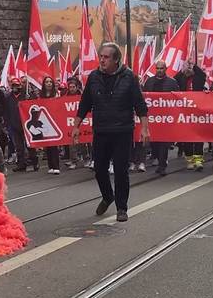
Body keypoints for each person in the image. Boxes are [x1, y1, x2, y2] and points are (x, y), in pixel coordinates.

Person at [74, 43, 150, 222]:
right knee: (99, 169)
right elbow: (85, 103)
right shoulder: (93, 77)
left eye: (106, 57)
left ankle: (121, 208)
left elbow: (140, 105)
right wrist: (76, 126)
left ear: (116, 60)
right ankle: (108, 196)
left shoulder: (129, 77)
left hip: (122, 131)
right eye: (101, 56)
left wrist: (145, 129)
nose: (102, 60)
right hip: (101, 131)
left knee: (121, 170)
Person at [144, 61, 180, 175]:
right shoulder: (149, 82)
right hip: (153, 118)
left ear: (166, 69)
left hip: (166, 118)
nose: (159, 70)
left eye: (162, 68)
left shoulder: (172, 82)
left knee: (164, 143)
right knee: (154, 142)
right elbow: (145, 96)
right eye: (157, 68)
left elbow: (177, 98)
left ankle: (162, 165)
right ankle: (158, 159)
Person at [176, 63, 208, 171]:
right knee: (187, 137)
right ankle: (189, 160)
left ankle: (198, 160)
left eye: (190, 69)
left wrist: (193, 65)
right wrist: (182, 70)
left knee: (198, 136)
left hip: (197, 112)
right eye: (187, 69)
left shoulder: (198, 79)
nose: (189, 70)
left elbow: (202, 75)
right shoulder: (182, 79)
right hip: (185, 112)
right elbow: (175, 79)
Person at [8, 78, 38, 172]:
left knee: (30, 145)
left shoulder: (26, 95)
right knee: (19, 147)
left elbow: (34, 106)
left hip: (26, 124)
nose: (15, 87)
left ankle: (34, 162)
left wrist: (30, 98)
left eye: (17, 85)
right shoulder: (9, 97)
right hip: (14, 125)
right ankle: (21, 164)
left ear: (20, 86)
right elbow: (6, 111)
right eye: (13, 85)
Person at [38, 76, 62, 174]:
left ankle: (56, 166)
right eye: (47, 82)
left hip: (54, 121)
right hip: (44, 122)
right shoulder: (40, 95)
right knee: (47, 145)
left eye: (50, 82)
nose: (48, 83)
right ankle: (51, 166)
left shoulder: (57, 94)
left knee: (54, 145)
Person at [65, 76, 90, 169]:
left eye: (73, 87)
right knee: (72, 143)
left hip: (82, 121)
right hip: (71, 122)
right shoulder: (65, 97)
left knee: (83, 141)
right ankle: (74, 161)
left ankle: (86, 159)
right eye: (70, 87)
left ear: (77, 87)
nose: (71, 89)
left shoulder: (82, 96)